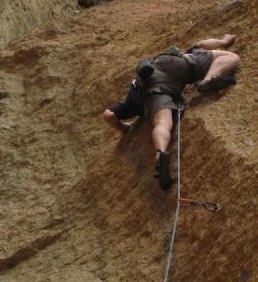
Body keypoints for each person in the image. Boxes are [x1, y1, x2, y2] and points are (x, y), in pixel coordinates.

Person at [102, 34, 240, 190]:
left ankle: (161, 152)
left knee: (163, 123)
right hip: (177, 63)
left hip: (155, 91)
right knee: (231, 57)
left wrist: (124, 128)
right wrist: (224, 41)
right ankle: (209, 79)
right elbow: (202, 43)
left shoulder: (130, 102)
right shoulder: (191, 51)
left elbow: (109, 115)